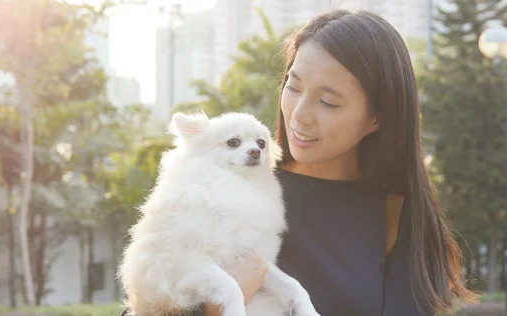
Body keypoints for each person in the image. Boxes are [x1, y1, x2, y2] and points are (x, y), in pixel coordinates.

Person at [121, 8, 477, 316]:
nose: (300, 116)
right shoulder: (225, 185)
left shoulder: (397, 216)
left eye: (329, 102)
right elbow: (146, 297)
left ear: (377, 118)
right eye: (293, 87)